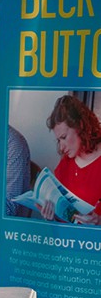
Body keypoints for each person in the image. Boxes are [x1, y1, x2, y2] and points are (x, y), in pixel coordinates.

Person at [41, 94, 101, 225]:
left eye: (64, 137)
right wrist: (51, 218)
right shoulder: (65, 164)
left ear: (80, 126)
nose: (61, 147)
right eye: (58, 140)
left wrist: (99, 221)